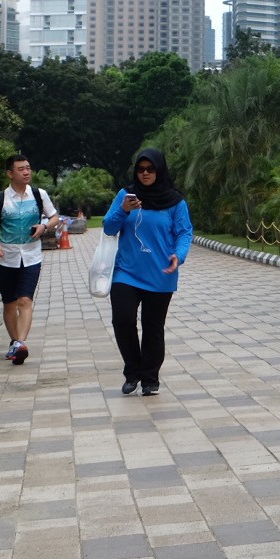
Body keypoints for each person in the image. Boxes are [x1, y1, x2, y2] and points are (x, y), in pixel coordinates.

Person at [102, 148, 194, 398]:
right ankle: (132, 372)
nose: (145, 173)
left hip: (161, 273)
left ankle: (150, 378)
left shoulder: (175, 201)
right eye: (141, 169)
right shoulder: (125, 196)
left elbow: (184, 232)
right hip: (126, 272)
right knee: (122, 320)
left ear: (160, 170)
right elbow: (109, 228)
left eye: (150, 169)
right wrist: (123, 209)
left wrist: (179, 255)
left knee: (153, 327)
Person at [0, 154, 60, 365]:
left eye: (28, 168)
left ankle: (20, 343)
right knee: (9, 304)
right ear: (10, 173)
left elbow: (54, 217)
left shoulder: (38, 194)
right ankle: (16, 342)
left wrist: (44, 226)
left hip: (32, 257)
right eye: (21, 169)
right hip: (5, 258)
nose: (26, 172)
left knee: (24, 300)